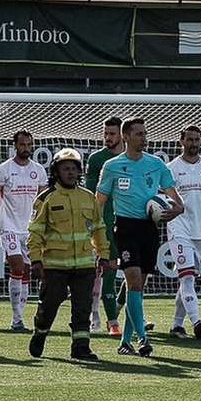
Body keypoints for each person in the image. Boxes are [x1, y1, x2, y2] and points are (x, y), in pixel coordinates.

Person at [95, 117, 184, 357]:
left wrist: (176, 209)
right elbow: (99, 201)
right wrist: (96, 230)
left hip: (149, 229)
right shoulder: (112, 166)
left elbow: (176, 199)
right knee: (133, 281)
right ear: (126, 137)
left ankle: (125, 341)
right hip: (125, 228)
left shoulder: (156, 164)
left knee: (137, 287)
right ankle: (143, 338)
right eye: (139, 134)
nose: (144, 138)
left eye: (145, 133)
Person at [27, 148, 108, 360]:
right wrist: (36, 260)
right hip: (55, 266)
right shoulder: (46, 198)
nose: (70, 173)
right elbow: (35, 232)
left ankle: (80, 347)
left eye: (74, 168)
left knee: (83, 308)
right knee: (49, 305)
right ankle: (41, 332)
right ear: (56, 171)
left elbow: (99, 229)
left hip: (84, 266)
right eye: (66, 169)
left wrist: (104, 254)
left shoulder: (88, 197)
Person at [165, 125, 201, 339]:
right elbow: (162, 200)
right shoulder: (170, 168)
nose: (193, 143)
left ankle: (176, 325)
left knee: (187, 279)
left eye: (197, 139)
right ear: (181, 141)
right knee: (187, 278)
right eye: (189, 139)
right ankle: (196, 320)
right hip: (179, 228)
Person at [0, 129, 47, 331]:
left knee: (27, 271)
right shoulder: (4, 169)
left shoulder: (38, 170)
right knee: (18, 267)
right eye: (22, 145)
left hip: (30, 229)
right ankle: (16, 318)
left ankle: (19, 317)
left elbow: (42, 202)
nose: (26, 148)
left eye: (29, 145)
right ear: (15, 145)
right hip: (9, 227)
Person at [84, 117, 123, 336]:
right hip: (105, 224)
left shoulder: (135, 160)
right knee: (108, 268)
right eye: (105, 133)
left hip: (130, 222)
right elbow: (92, 195)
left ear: (122, 135)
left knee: (137, 273)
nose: (108, 138)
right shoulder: (98, 159)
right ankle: (113, 321)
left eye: (112, 134)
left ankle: (121, 309)